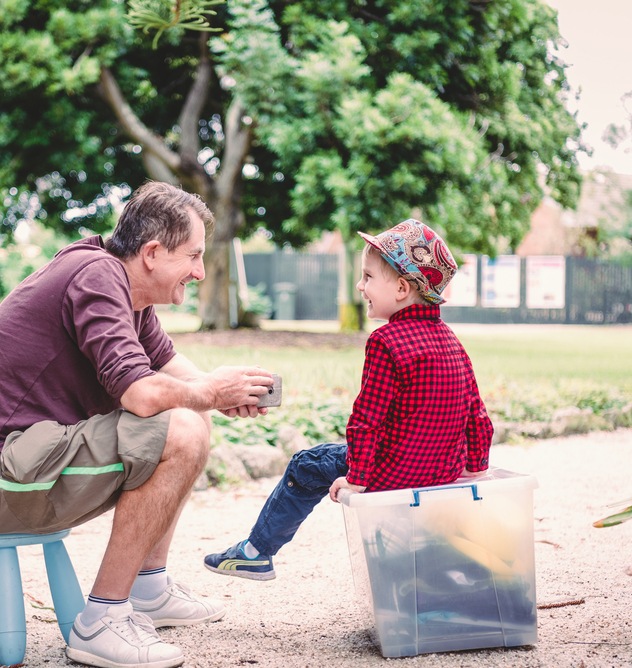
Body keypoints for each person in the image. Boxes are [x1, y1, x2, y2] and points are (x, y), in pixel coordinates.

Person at [0, 181, 275, 668]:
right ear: (154, 253)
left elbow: (173, 370)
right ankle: (102, 620)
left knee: (190, 420)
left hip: (17, 463)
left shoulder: (123, 287)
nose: (200, 272)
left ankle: (148, 588)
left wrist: (221, 394)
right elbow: (141, 394)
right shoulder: (97, 276)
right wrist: (207, 393)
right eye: (194, 256)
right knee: (178, 429)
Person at [204, 219, 493, 581]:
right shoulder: (451, 340)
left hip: (393, 472)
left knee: (306, 464)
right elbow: (477, 415)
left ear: (402, 288)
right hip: (441, 470)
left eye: (368, 277)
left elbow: (366, 422)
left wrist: (357, 478)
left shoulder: (386, 342)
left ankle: (255, 552)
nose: (360, 285)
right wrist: (475, 466)